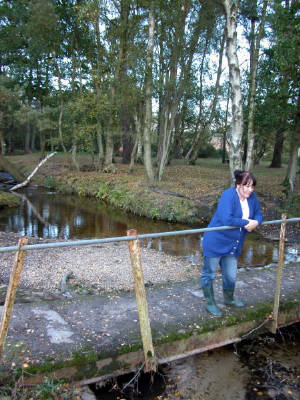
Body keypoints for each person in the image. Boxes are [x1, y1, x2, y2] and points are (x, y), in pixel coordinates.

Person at [201, 170, 263, 316]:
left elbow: (259, 213)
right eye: (246, 186)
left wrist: (257, 222)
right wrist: (248, 222)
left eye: (252, 187)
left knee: (230, 275)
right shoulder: (228, 195)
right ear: (238, 184)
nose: (250, 190)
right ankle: (210, 303)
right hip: (215, 241)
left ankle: (229, 299)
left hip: (233, 244)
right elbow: (226, 219)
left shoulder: (252, 197)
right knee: (209, 274)